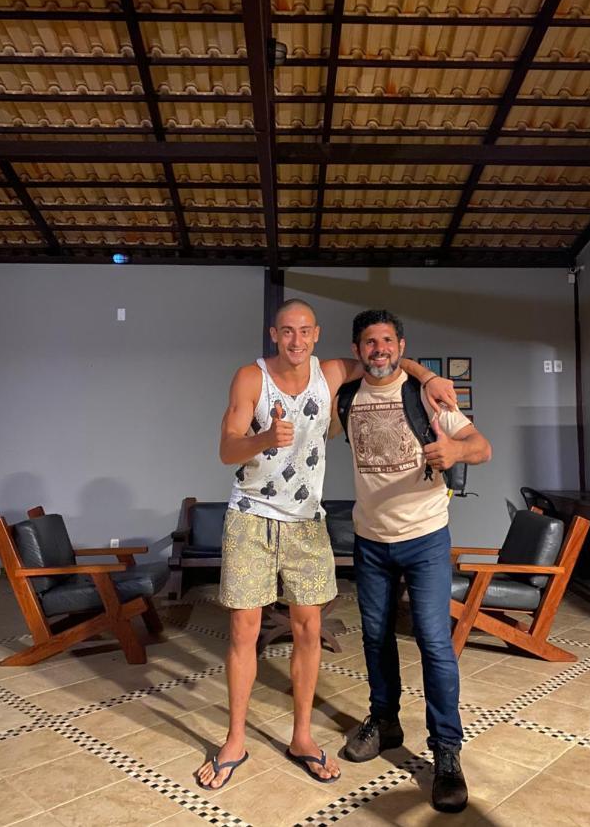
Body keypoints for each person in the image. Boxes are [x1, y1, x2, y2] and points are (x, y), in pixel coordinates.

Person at [197, 299, 457, 789]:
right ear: (274, 335)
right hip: (251, 517)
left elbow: (386, 360)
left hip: (307, 523)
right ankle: (235, 740)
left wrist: (428, 377)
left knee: (308, 630)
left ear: (316, 335)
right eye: (287, 331)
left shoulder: (333, 372)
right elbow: (226, 448)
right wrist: (263, 438)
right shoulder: (250, 378)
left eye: (305, 331)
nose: (296, 340)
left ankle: (302, 738)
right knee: (243, 632)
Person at [335, 309, 492, 814]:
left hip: (425, 538)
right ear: (357, 349)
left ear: (401, 345)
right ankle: (384, 722)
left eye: (387, 340)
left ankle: (446, 750)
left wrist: (455, 452)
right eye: (369, 342)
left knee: (434, 642)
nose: (379, 349)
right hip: (370, 540)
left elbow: (482, 447)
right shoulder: (346, 397)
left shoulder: (427, 395)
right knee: (375, 637)